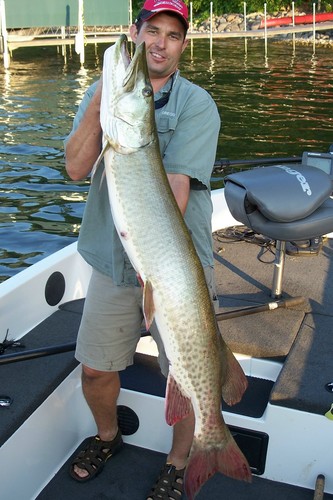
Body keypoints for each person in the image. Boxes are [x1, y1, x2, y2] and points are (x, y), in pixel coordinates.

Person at [64, 0, 220, 498]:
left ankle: (180, 461)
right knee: (95, 368)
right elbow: (74, 167)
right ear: (137, 32)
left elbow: (173, 190)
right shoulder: (106, 95)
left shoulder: (197, 104)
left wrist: (155, 265)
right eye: (152, 29)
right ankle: (107, 437)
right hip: (114, 261)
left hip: (173, 267)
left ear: (182, 45)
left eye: (172, 35)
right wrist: (99, 106)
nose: (159, 42)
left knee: (192, 377)